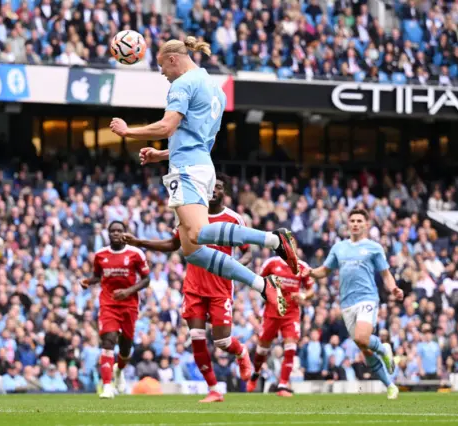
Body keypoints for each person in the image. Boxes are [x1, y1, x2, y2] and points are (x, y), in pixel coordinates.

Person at [109, 36, 298, 317]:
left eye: (162, 66)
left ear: (174, 59)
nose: (162, 73)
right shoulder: (216, 90)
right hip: (197, 164)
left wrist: (128, 132)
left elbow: (166, 126)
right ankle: (262, 284)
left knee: (197, 233)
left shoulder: (183, 84)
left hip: (188, 169)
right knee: (193, 251)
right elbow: (199, 140)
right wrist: (161, 155)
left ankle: (273, 240)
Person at [123, 172, 253, 403]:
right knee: (196, 337)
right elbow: (173, 244)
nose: (213, 190)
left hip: (220, 288)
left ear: (225, 192)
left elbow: (248, 253)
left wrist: (233, 266)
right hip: (193, 286)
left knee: (222, 341)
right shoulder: (190, 216)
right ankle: (213, 389)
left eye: (218, 187)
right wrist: (140, 242)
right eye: (210, 186)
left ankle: (241, 352)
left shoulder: (234, 219)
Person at [300, 208, 404, 400]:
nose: (355, 223)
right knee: (363, 347)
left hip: (367, 298)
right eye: (352, 220)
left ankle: (383, 348)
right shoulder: (339, 248)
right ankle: (390, 385)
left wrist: (394, 289)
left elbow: (385, 274)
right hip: (346, 303)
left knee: (362, 337)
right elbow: (325, 270)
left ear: (366, 224)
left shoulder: (374, 247)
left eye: (359, 221)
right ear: (348, 224)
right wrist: (311, 272)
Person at [81, 221, 150, 399]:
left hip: (129, 305)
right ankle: (107, 386)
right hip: (108, 303)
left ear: (125, 233)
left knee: (125, 347)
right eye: (113, 231)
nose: (116, 234)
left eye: (119, 231)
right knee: (108, 341)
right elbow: (98, 276)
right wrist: (88, 281)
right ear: (108, 234)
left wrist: (128, 291)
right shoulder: (100, 255)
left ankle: (119, 371)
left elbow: (146, 279)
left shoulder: (136, 253)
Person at [247, 255, 315, 397]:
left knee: (290, 347)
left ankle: (282, 385)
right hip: (271, 313)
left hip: (291, 314)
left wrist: (302, 295)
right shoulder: (271, 263)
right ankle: (255, 373)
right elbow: (257, 281)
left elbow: (311, 290)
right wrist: (260, 300)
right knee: (262, 349)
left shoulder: (302, 266)